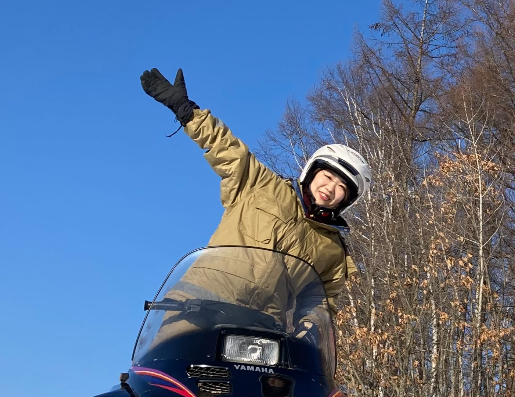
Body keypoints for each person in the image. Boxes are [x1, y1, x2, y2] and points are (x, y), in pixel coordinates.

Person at [140, 67, 368, 300]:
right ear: (312, 172)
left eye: (342, 188)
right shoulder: (262, 185)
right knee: (174, 335)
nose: (330, 188)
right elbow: (227, 149)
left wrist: (308, 332)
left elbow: (320, 305)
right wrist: (186, 111)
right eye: (328, 177)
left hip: (263, 328)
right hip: (201, 300)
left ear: (347, 201)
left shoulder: (334, 252)